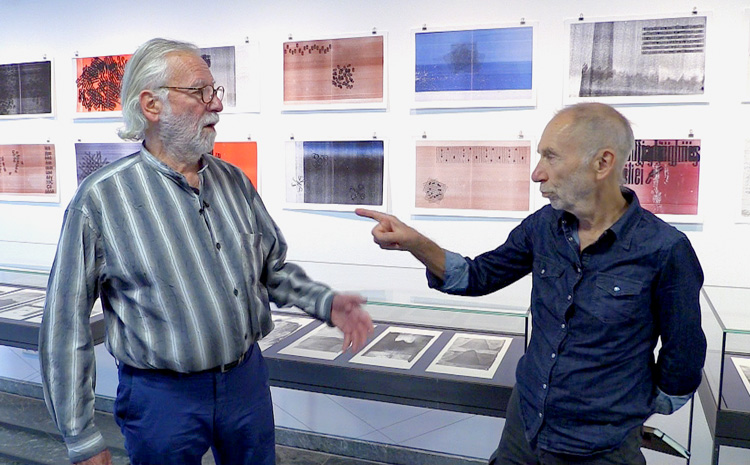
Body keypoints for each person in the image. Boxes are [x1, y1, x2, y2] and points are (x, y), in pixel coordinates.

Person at [39, 38, 373, 465]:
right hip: (161, 399)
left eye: (215, 92)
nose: (216, 106)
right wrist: (80, 436)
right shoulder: (101, 199)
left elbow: (271, 270)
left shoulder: (234, 182)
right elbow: (64, 326)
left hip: (245, 383)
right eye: (200, 92)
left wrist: (325, 302)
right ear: (151, 105)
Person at [356, 103, 706, 464]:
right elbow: (478, 276)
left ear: (603, 163)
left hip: (600, 448)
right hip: (524, 430)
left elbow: (683, 357)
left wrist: (625, 412)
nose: (538, 173)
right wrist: (416, 243)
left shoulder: (665, 249)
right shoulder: (544, 227)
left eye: (551, 157)